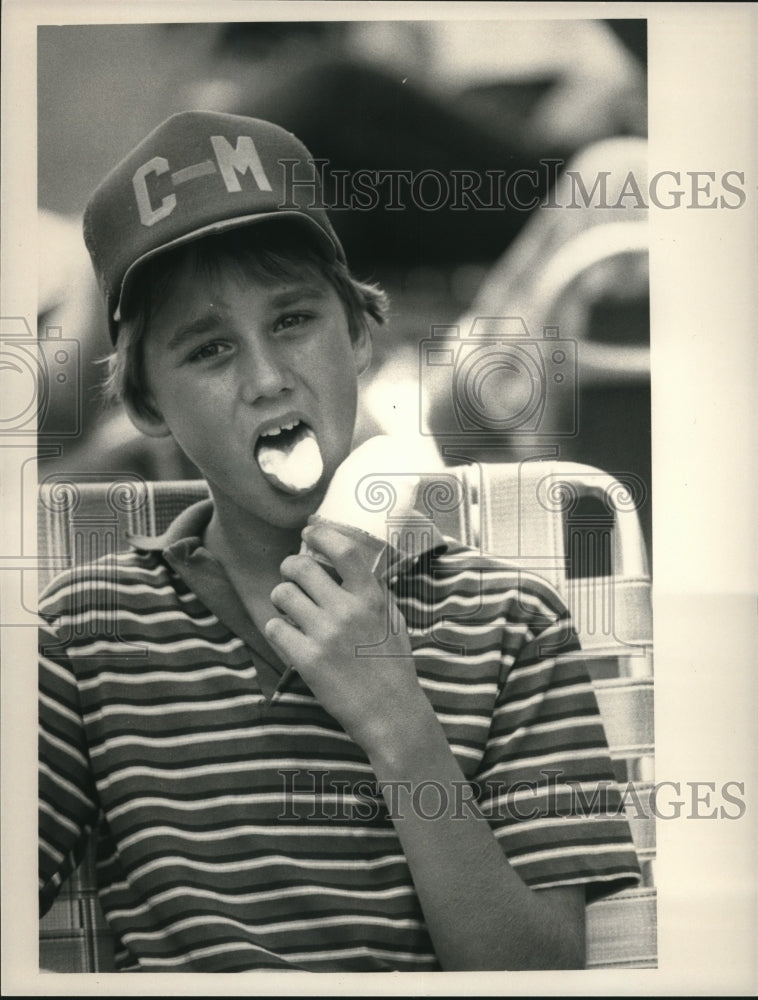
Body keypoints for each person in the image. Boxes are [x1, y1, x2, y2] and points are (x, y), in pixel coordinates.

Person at [39, 111, 640, 972]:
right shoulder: (83, 634)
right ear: (145, 405)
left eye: (292, 321)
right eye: (209, 350)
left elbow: (538, 974)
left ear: (358, 334)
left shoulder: (513, 625)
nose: (267, 377)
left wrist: (399, 723)